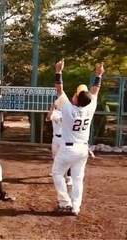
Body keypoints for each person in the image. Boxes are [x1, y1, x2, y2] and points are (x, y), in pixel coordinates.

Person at [52, 59, 104, 216]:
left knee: (57, 173)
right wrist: (99, 74)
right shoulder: (90, 107)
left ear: (76, 99)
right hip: (82, 149)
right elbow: (94, 91)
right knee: (77, 178)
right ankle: (75, 207)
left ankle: (64, 201)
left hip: (68, 148)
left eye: (75, 94)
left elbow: (59, 89)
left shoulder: (67, 108)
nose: (74, 95)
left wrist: (58, 71)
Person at [46, 105, 73, 186]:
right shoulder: (55, 112)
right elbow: (48, 118)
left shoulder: (69, 112)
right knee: (55, 156)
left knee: (67, 158)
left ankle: (69, 177)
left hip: (65, 138)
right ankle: (57, 171)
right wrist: (51, 110)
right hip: (56, 137)